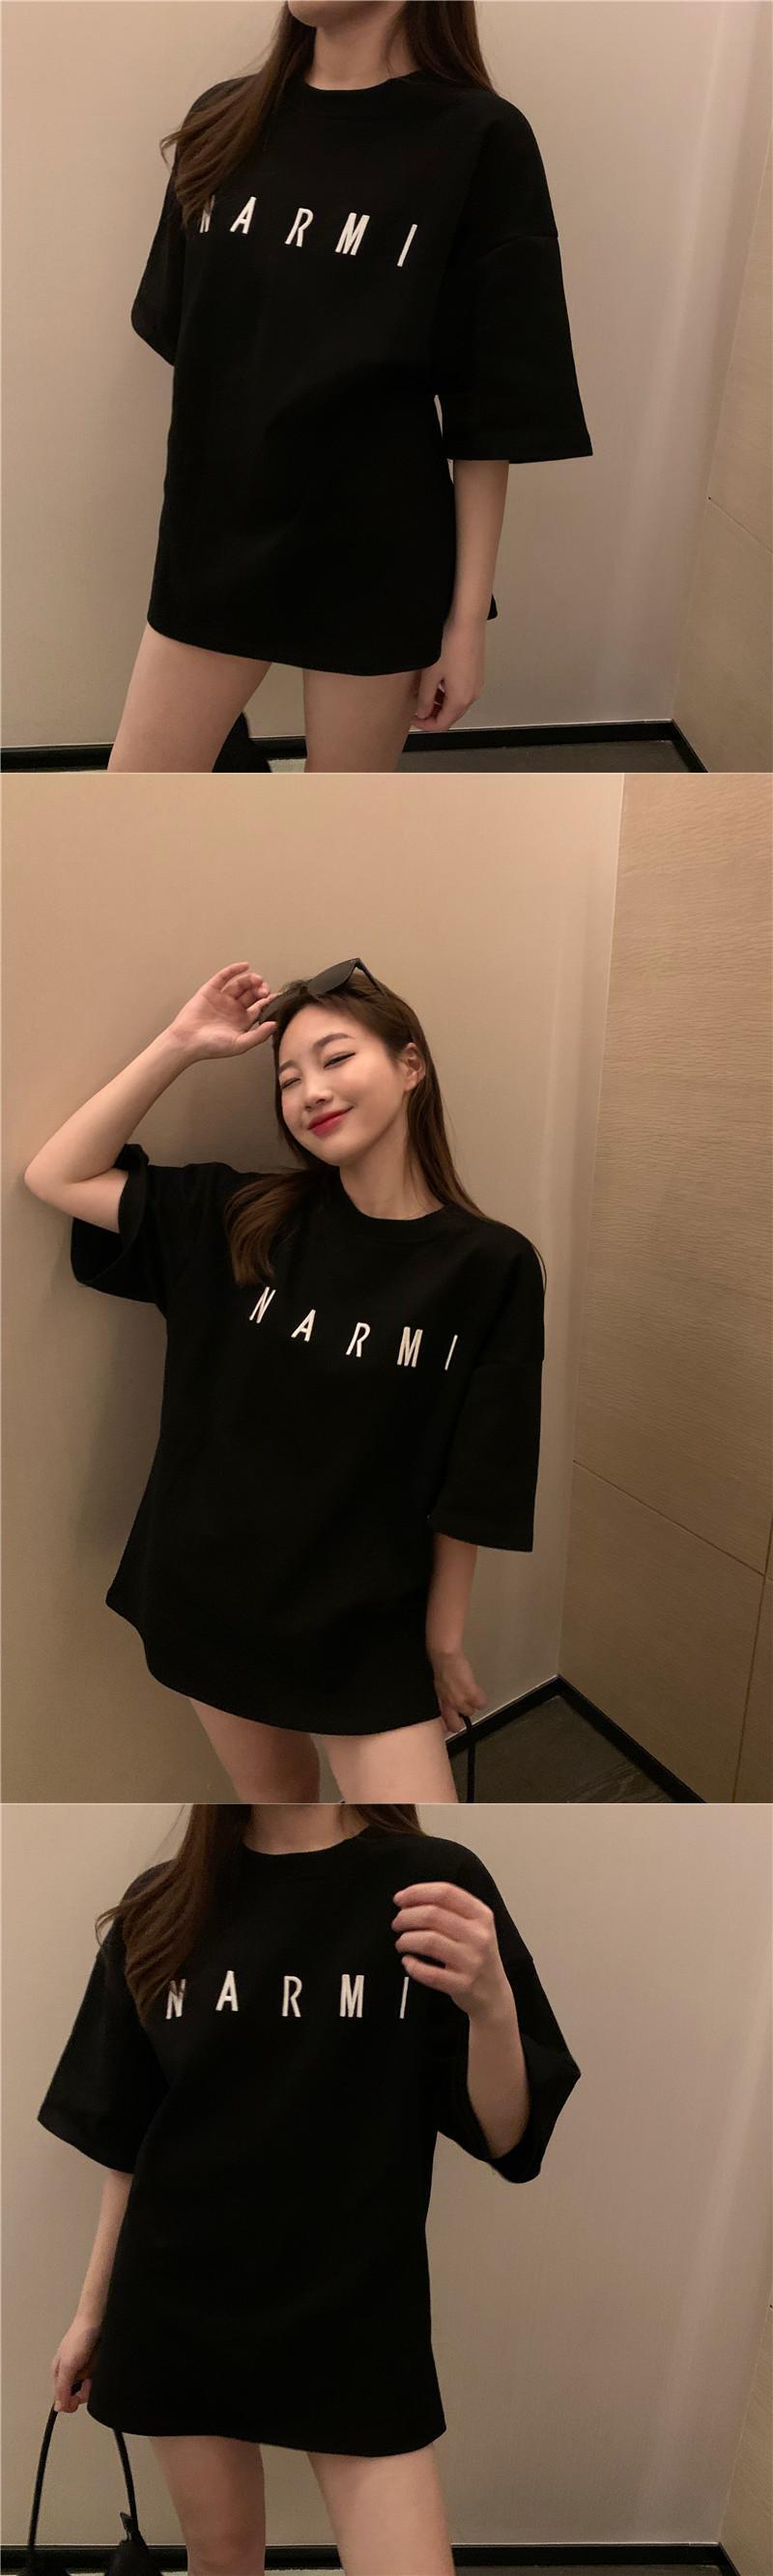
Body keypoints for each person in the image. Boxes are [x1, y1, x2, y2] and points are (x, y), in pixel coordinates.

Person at [24, 958, 546, 1803]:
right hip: (214, 1596)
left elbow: (479, 1474)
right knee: (285, 1813)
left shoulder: (493, 1266)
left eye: (336, 1058)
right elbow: (57, 1174)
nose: (311, 1092)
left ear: (410, 1065)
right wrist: (181, 1043)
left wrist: (443, 1638)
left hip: (367, 1624)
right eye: (289, 1078)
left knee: (424, 1844)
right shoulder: (243, 1219)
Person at [39, 1798, 581, 2576]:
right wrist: (90, 2315)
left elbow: (507, 2136)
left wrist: (491, 2004)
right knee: (222, 2560)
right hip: (178, 2304)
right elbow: (128, 2145)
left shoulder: (430, 1883)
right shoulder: (165, 1904)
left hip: (356, 2313)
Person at [109, 0, 592, 772]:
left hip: (377, 555)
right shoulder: (224, 122)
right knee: (136, 805)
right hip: (214, 541)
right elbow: (197, 343)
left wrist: (466, 620)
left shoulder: (480, 139)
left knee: (341, 827)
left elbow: (488, 409)